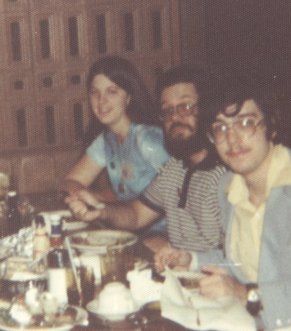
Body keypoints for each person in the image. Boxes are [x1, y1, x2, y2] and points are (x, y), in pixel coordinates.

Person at [154, 74, 291, 329]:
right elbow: (247, 263)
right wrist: (191, 260)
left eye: (246, 123)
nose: (232, 139)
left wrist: (245, 295)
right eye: (220, 127)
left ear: (271, 125)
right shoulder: (229, 186)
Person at [66, 64, 226, 252]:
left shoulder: (224, 173)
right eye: (168, 111)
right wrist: (101, 211)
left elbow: (237, 257)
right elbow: (136, 215)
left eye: (185, 107)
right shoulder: (175, 169)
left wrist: (181, 255)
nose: (175, 118)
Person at [60, 56, 170, 244]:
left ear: (129, 97)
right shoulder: (106, 140)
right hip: (129, 231)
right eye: (95, 93)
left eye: (112, 92)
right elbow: (71, 181)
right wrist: (87, 198)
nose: (101, 101)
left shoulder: (147, 139)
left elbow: (183, 193)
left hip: (166, 237)